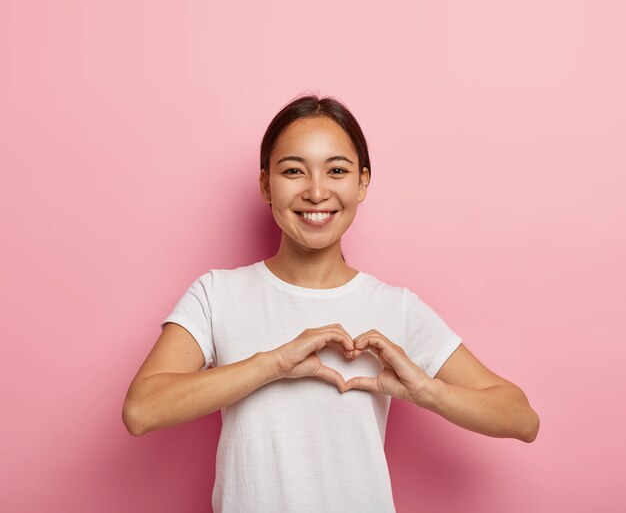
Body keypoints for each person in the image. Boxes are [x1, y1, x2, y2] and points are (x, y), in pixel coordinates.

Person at [122, 94, 540, 513]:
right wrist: (273, 364)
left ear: (361, 183)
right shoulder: (217, 294)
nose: (317, 192)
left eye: (336, 170)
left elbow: (521, 418)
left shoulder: (395, 307)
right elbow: (141, 410)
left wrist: (426, 391)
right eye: (293, 171)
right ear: (266, 183)